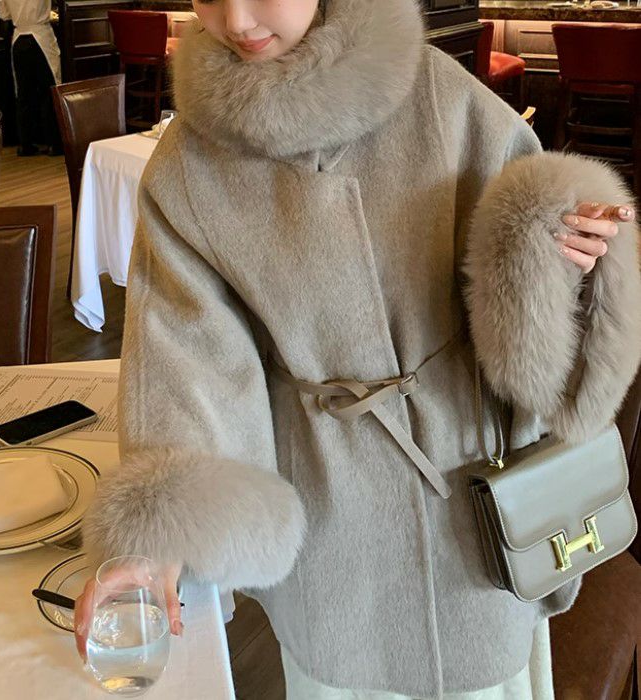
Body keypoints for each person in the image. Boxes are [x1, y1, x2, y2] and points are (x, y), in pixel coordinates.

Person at [74, 1, 641, 698]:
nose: (237, 19)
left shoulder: (442, 100)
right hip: (332, 522)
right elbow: (184, 360)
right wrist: (160, 538)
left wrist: (561, 258)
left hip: (474, 501)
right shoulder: (190, 164)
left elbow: (538, 309)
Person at [0, 0, 62, 156]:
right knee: (50, 92)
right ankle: (54, 143)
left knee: (24, 95)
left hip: (19, 39)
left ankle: (25, 144)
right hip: (41, 38)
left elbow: (4, 15)